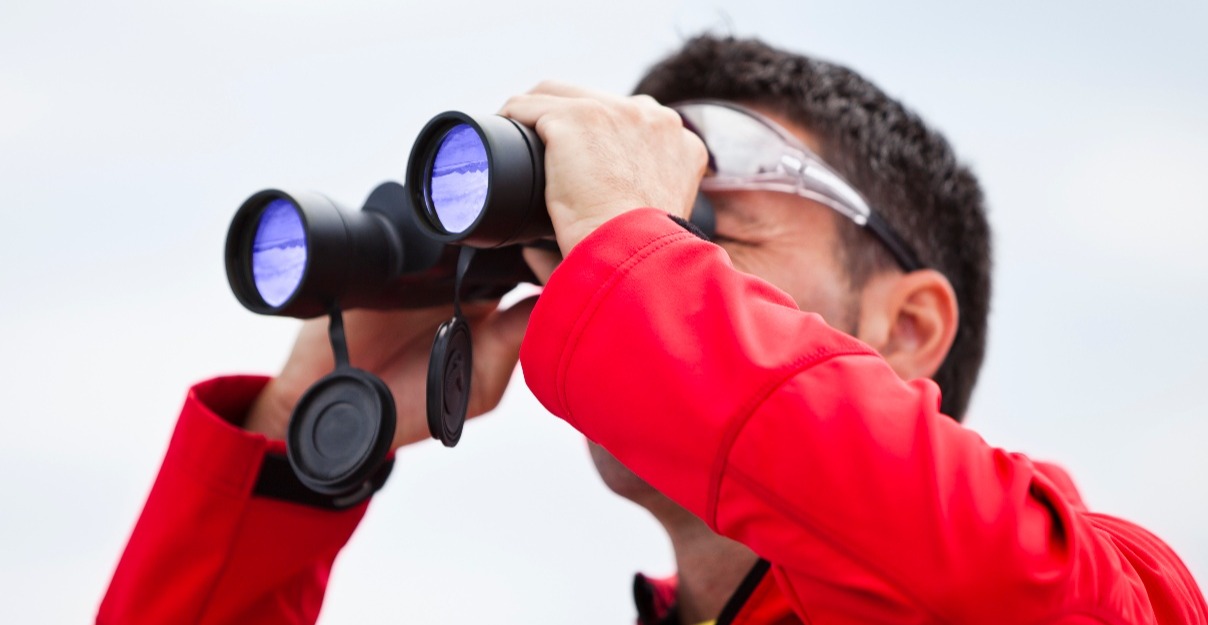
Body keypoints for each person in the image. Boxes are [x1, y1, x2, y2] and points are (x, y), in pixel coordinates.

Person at [98, 35, 1206, 624]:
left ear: (906, 324)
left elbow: (992, 594)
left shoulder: (1111, 586)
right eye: (598, 227)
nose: (609, 264)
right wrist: (293, 456)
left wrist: (632, 246)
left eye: (703, 224)